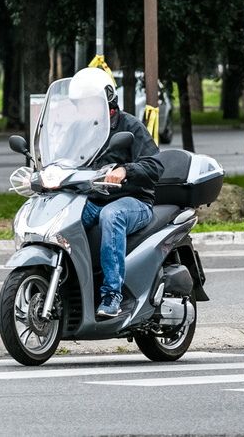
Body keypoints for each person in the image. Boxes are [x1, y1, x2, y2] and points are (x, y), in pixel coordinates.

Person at [72, 67, 163, 320]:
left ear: (106, 99)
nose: (84, 108)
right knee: (63, 219)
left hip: (134, 202)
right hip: (92, 198)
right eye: (81, 104)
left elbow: (155, 166)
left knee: (112, 216)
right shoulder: (80, 130)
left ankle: (113, 294)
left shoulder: (130, 126)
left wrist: (125, 170)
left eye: (89, 103)